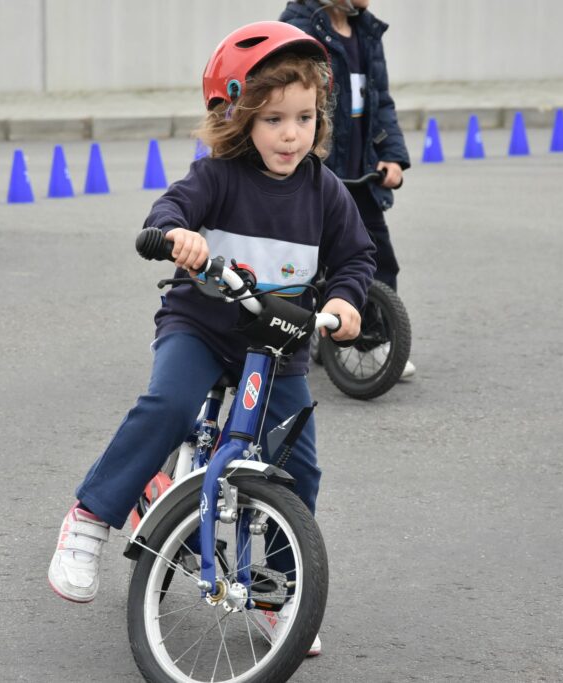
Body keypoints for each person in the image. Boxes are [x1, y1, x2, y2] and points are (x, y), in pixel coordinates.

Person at [47, 20, 376, 654]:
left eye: (305, 118)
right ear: (242, 119)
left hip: (277, 343)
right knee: (169, 406)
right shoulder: (219, 177)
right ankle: (90, 518)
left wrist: (344, 300)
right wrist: (179, 237)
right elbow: (167, 212)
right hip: (202, 325)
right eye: (275, 119)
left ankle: (279, 590)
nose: (291, 134)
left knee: (296, 468)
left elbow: (357, 259)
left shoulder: (325, 192)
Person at [279, 0, 415, 378]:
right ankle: (306, 335)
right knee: (303, 262)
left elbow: (380, 101)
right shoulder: (301, 27)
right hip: (318, 172)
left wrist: (390, 155)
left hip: (362, 174)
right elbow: (290, 102)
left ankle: (373, 343)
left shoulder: (367, 32)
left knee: (377, 259)